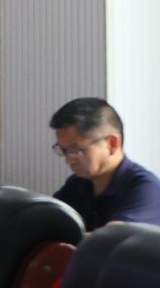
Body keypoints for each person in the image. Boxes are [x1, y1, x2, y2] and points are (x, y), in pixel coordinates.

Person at [48, 97, 160, 230]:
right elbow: (47, 219)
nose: (69, 159)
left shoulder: (147, 189)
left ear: (112, 144)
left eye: (76, 150)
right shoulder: (77, 183)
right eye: (64, 150)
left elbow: (113, 237)